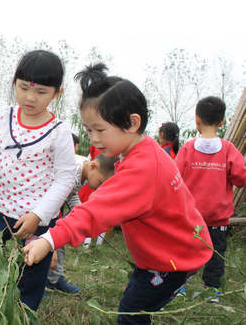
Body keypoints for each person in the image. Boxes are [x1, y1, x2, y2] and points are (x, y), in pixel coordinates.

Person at [23, 63, 213, 325]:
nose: (94, 139)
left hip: (172, 262)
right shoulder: (145, 151)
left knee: (130, 313)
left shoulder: (142, 169)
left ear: (132, 123)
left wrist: (49, 240)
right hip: (174, 253)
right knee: (137, 303)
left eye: (100, 130)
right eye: (89, 130)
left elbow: (95, 211)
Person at [0, 50, 77, 311]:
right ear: (14, 83)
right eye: (24, 88)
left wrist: (38, 215)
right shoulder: (5, 116)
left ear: (57, 93)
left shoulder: (58, 131)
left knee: (31, 272)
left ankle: (24, 312)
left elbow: (65, 179)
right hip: (0, 211)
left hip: (37, 221)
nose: (30, 97)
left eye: (41, 92)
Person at [176, 96, 246, 302]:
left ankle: (178, 285)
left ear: (197, 120)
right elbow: (241, 178)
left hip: (190, 217)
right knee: (216, 255)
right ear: (222, 122)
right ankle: (212, 290)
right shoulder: (228, 150)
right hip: (218, 219)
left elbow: (175, 178)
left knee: (185, 251)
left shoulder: (188, 148)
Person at [47, 134, 117, 294]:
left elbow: (71, 195)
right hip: (42, 209)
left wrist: (82, 213)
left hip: (53, 209)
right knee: (49, 248)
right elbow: (51, 201)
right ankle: (38, 283)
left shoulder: (82, 172)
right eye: (100, 182)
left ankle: (55, 279)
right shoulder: (71, 171)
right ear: (93, 165)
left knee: (60, 244)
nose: (98, 187)